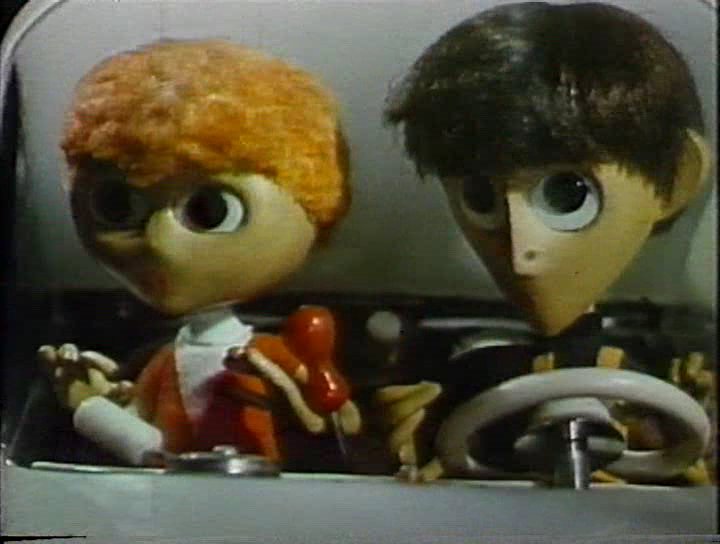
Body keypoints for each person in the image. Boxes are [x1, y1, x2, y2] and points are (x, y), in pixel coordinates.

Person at [379, 2, 713, 483]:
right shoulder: (469, 371)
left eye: (568, 195)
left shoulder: (667, 375)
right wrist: (401, 446)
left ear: (678, 180)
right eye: (481, 197)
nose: (522, 254)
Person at [38, 40, 360, 466]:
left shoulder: (264, 356)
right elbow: (151, 442)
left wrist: (88, 407)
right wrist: (103, 399)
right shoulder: (166, 362)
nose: (159, 240)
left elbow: (335, 423)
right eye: (118, 206)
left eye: (211, 210)